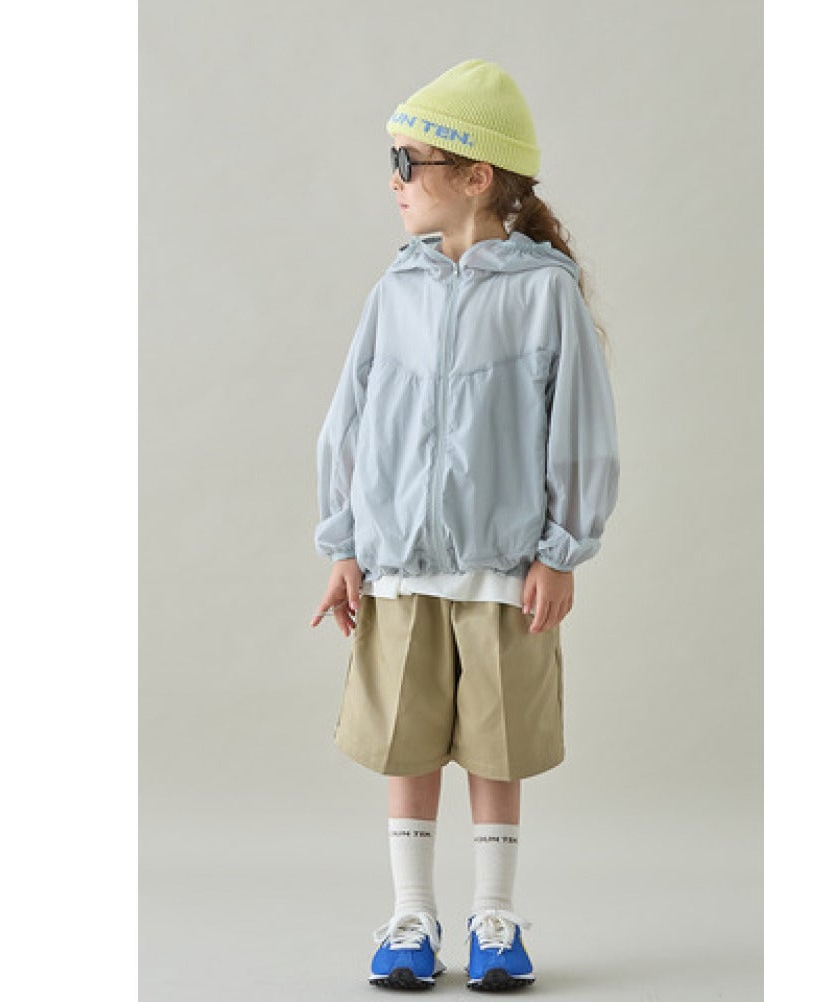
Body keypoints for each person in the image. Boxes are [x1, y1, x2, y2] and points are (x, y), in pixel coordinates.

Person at [309, 58, 620, 992]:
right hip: (400, 567)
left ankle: (494, 916)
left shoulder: (544, 293)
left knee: (496, 743)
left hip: (502, 568)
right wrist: (344, 545)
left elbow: (580, 428)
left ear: (476, 175)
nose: (395, 181)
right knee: (405, 743)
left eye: (409, 162)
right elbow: (349, 422)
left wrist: (561, 552)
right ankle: (411, 915)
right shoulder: (395, 290)